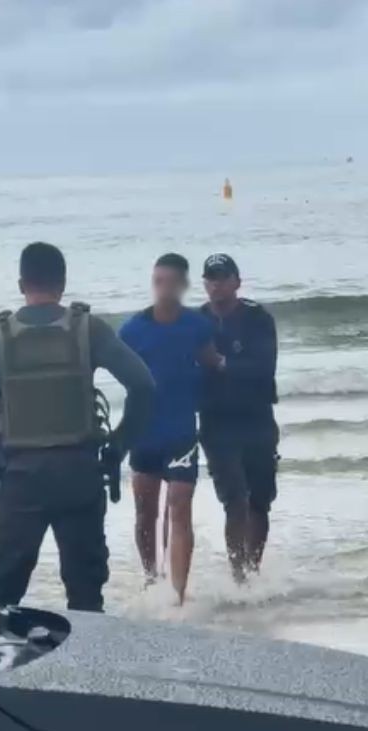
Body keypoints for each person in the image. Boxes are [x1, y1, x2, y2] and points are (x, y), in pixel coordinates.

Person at [0, 242, 154, 613]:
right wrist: (118, 446)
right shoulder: (89, 329)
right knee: (86, 596)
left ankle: (0, 647)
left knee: (0, 596)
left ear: (21, 284)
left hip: (20, 478)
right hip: (79, 475)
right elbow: (144, 385)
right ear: (63, 284)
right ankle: (89, 649)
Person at [119, 253, 221, 603]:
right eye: (157, 281)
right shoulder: (132, 330)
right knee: (145, 513)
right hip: (144, 434)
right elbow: (116, 370)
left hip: (181, 434)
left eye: (170, 282)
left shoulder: (197, 326)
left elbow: (212, 363)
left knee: (179, 506)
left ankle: (178, 593)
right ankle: (151, 578)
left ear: (183, 285)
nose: (163, 288)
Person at [198, 253, 279, 582]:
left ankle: (253, 570)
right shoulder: (197, 322)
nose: (216, 284)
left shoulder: (257, 318)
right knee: (234, 499)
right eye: (210, 278)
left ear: (237, 282)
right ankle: (238, 577)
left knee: (259, 501)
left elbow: (264, 368)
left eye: (222, 277)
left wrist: (221, 363)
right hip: (216, 423)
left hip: (257, 418)